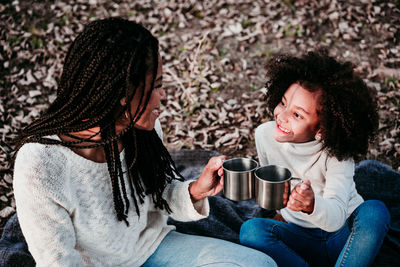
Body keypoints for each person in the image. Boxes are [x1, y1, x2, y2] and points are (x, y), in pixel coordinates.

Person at [12, 17, 277, 267]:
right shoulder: (41, 164)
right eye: (157, 85)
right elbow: (58, 261)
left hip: (152, 248)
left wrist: (197, 190)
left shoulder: (140, 129)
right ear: (121, 93)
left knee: (261, 263)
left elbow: (160, 195)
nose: (163, 95)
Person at [239, 51, 391, 266]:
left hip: (344, 234)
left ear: (322, 129)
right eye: (283, 103)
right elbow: (272, 184)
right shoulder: (264, 135)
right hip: (298, 236)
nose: (281, 116)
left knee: (375, 211)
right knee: (251, 230)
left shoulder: (337, 157)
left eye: (297, 115)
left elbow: (336, 217)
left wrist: (311, 205)